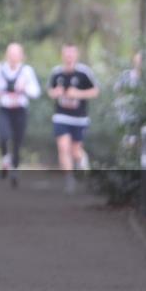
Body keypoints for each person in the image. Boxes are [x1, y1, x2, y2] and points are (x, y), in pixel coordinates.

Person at [47, 44, 99, 193]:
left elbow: (95, 91)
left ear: (76, 55)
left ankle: (82, 161)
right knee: (63, 147)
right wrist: (55, 93)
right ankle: (69, 180)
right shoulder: (56, 73)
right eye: (66, 54)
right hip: (61, 116)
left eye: (71, 54)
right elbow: (50, 91)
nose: (69, 57)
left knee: (75, 151)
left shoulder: (84, 73)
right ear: (62, 55)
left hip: (79, 118)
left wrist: (78, 94)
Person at [0, 43, 41, 188]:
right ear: (7, 55)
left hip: (20, 110)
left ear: (21, 56)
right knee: (3, 136)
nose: (13, 57)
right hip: (4, 109)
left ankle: (14, 169)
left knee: (17, 141)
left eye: (16, 54)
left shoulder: (27, 71)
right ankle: (5, 159)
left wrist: (24, 88)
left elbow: (36, 92)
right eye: (10, 54)